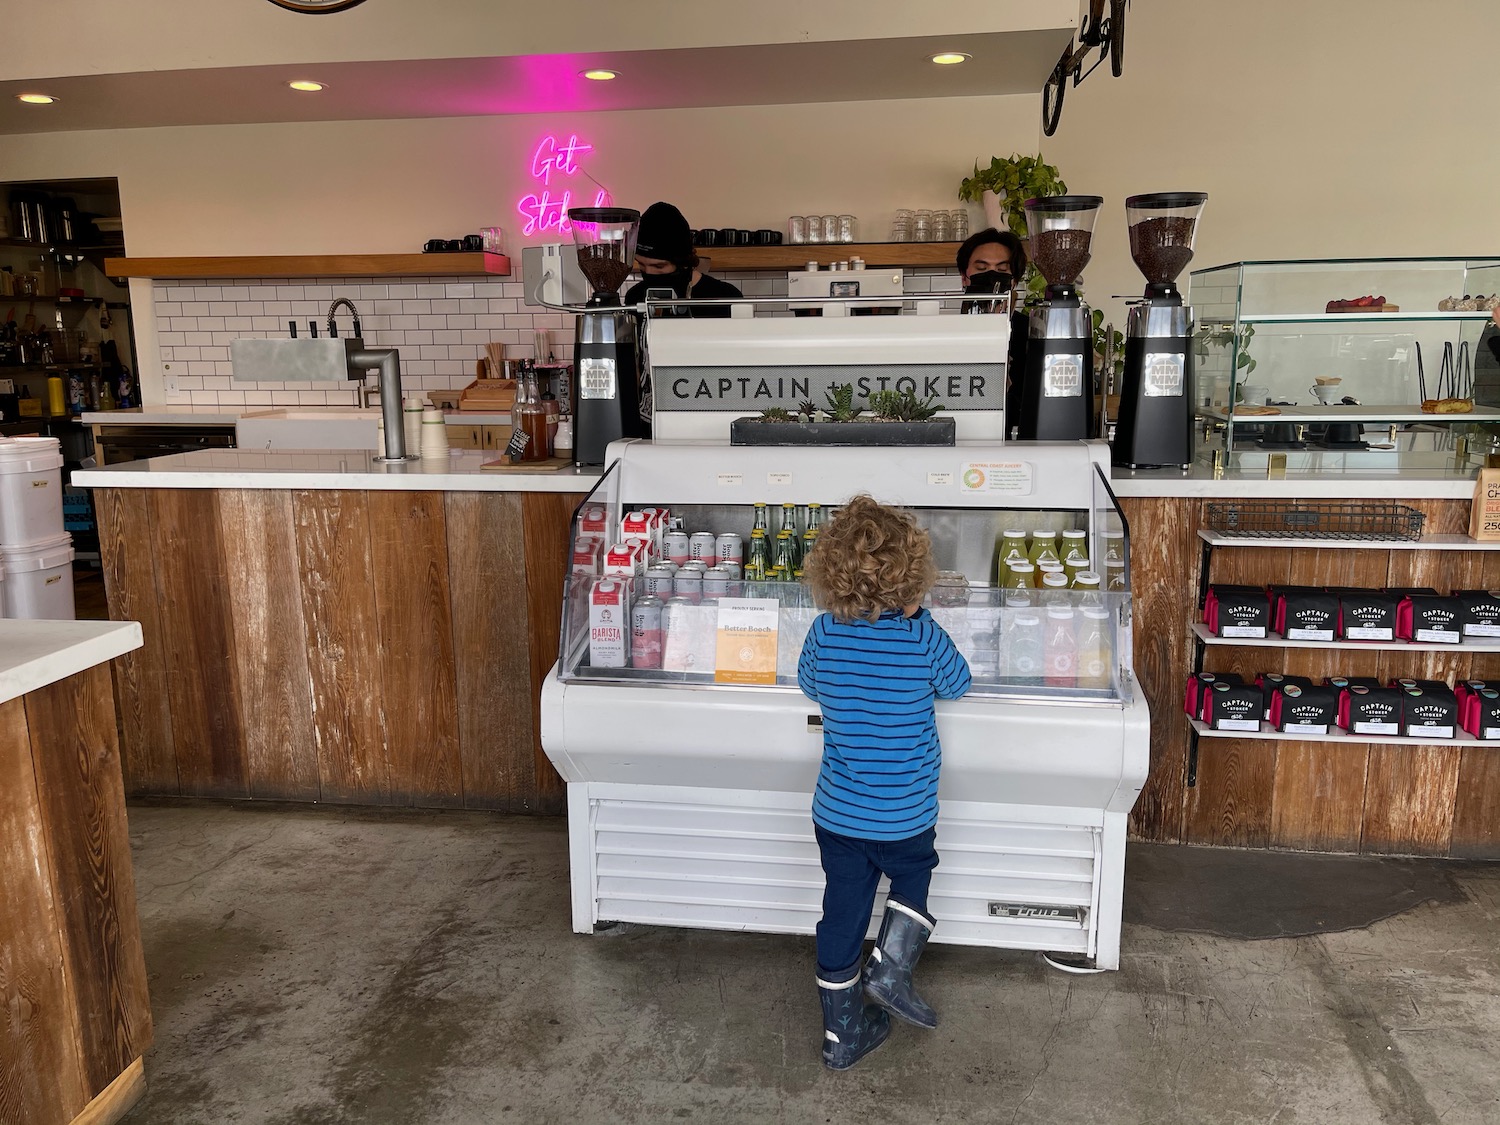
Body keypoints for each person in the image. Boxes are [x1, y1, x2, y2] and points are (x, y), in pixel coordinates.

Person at [797, 496, 973, 1071]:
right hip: (905, 812)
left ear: (831, 575)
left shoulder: (824, 633)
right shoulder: (921, 638)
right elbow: (959, 683)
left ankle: (842, 1034)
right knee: (915, 874)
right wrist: (921, 617)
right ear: (913, 577)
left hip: (840, 816)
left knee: (840, 914)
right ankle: (890, 970)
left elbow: (809, 685)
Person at [956, 227, 1030, 427]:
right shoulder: (950, 332)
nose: (991, 276)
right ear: (964, 277)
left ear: (1014, 280)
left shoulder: (1031, 333)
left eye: (1002, 270)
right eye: (981, 269)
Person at [622, 201, 742, 317]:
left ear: (683, 262)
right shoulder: (634, 297)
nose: (648, 272)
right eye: (641, 264)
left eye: (659, 266)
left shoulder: (726, 297)